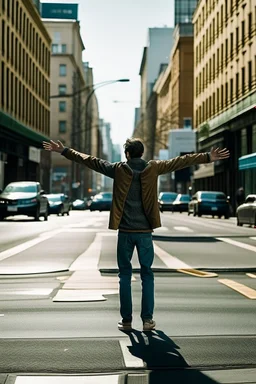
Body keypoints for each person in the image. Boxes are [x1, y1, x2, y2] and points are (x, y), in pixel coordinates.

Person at [43, 138, 230, 331]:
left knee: (124, 276)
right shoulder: (154, 168)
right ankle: (147, 320)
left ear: (128, 154)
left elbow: (90, 160)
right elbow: (181, 161)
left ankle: (126, 321)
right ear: (142, 153)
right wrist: (208, 156)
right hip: (145, 234)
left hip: (125, 232)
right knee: (147, 275)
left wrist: (64, 150)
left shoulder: (118, 169)